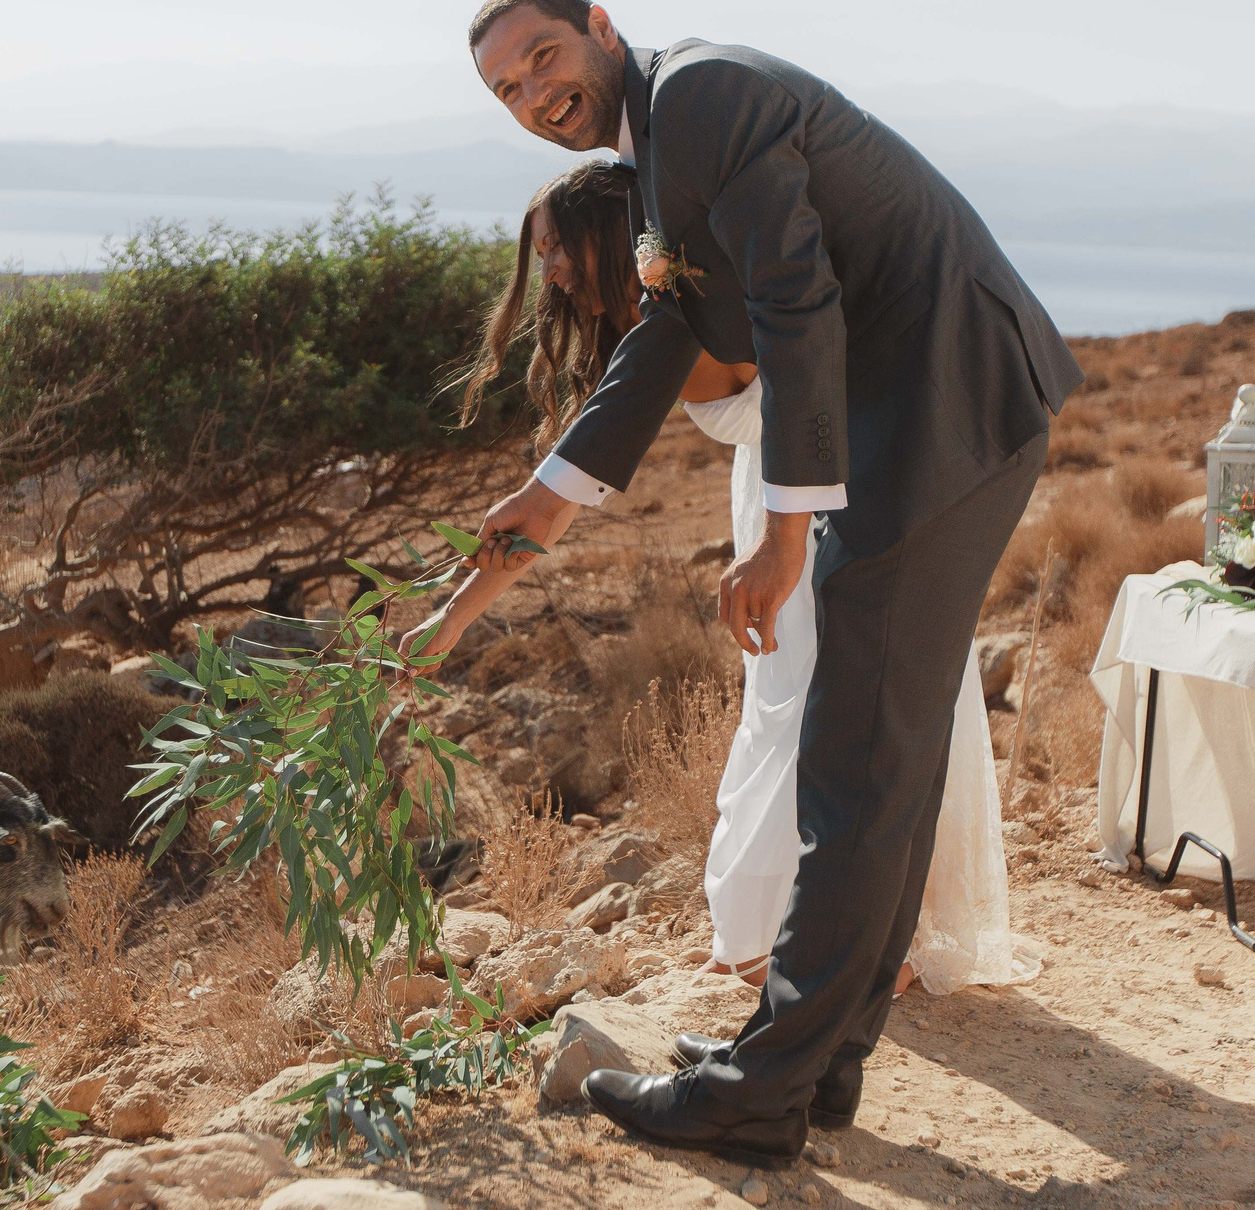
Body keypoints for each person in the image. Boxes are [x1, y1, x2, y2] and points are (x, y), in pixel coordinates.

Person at [454, 0, 1079, 1170]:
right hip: (917, 419)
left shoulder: (702, 97)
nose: (534, 94)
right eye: (506, 89)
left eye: (541, 58)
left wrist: (781, 533)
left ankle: (761, 1090)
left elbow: (796, 303)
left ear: (601, 28)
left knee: (854, 760)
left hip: (940, 407)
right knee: (875, 757)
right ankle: (814, 1062)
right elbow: (671, 330)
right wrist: (551, 491)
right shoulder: (658, 158)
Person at [425, 165, 1037, 1002]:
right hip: (775, 495)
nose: (550, 271)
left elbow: (551, 502)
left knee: (833, 712)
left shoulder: (684, 318)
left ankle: (857, 940)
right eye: (540, 255)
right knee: (788, 705)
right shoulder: (665, 315)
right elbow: (565, 483)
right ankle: (783, 933)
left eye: (558, 248)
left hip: (834, 500)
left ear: (612, 238)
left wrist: (451, 622)